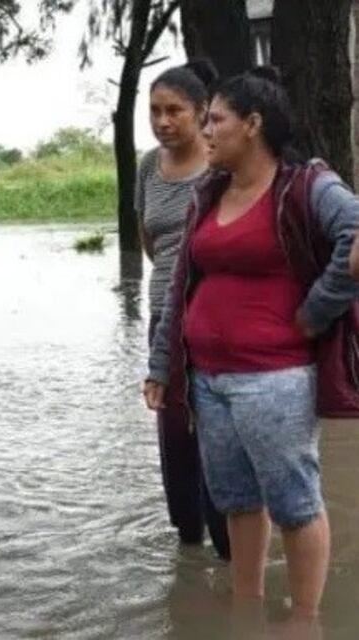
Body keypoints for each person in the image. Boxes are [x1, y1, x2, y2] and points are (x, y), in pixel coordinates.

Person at [146, 67, 359, 620]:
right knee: (237, 501)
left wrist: (315, 312)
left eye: (215, 118)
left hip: (275, 377)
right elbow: (179, 281)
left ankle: (304, 620)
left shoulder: (305, 184)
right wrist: (163, 363)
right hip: (208, 379)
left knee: (293, 502)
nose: (207, 131)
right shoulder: (210, 193)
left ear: (253, 124)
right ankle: (247, 607)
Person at [136, 60, 229, 559]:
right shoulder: (149, 166)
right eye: (154, 111)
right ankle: (188, 545)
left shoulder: (221, 167)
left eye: (175, 111)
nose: (163, 121)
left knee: (216, 428)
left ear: (200, 113)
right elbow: (149, 239)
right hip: (162, 318)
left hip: (212, 317)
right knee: (174, 433)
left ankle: (229, 540)